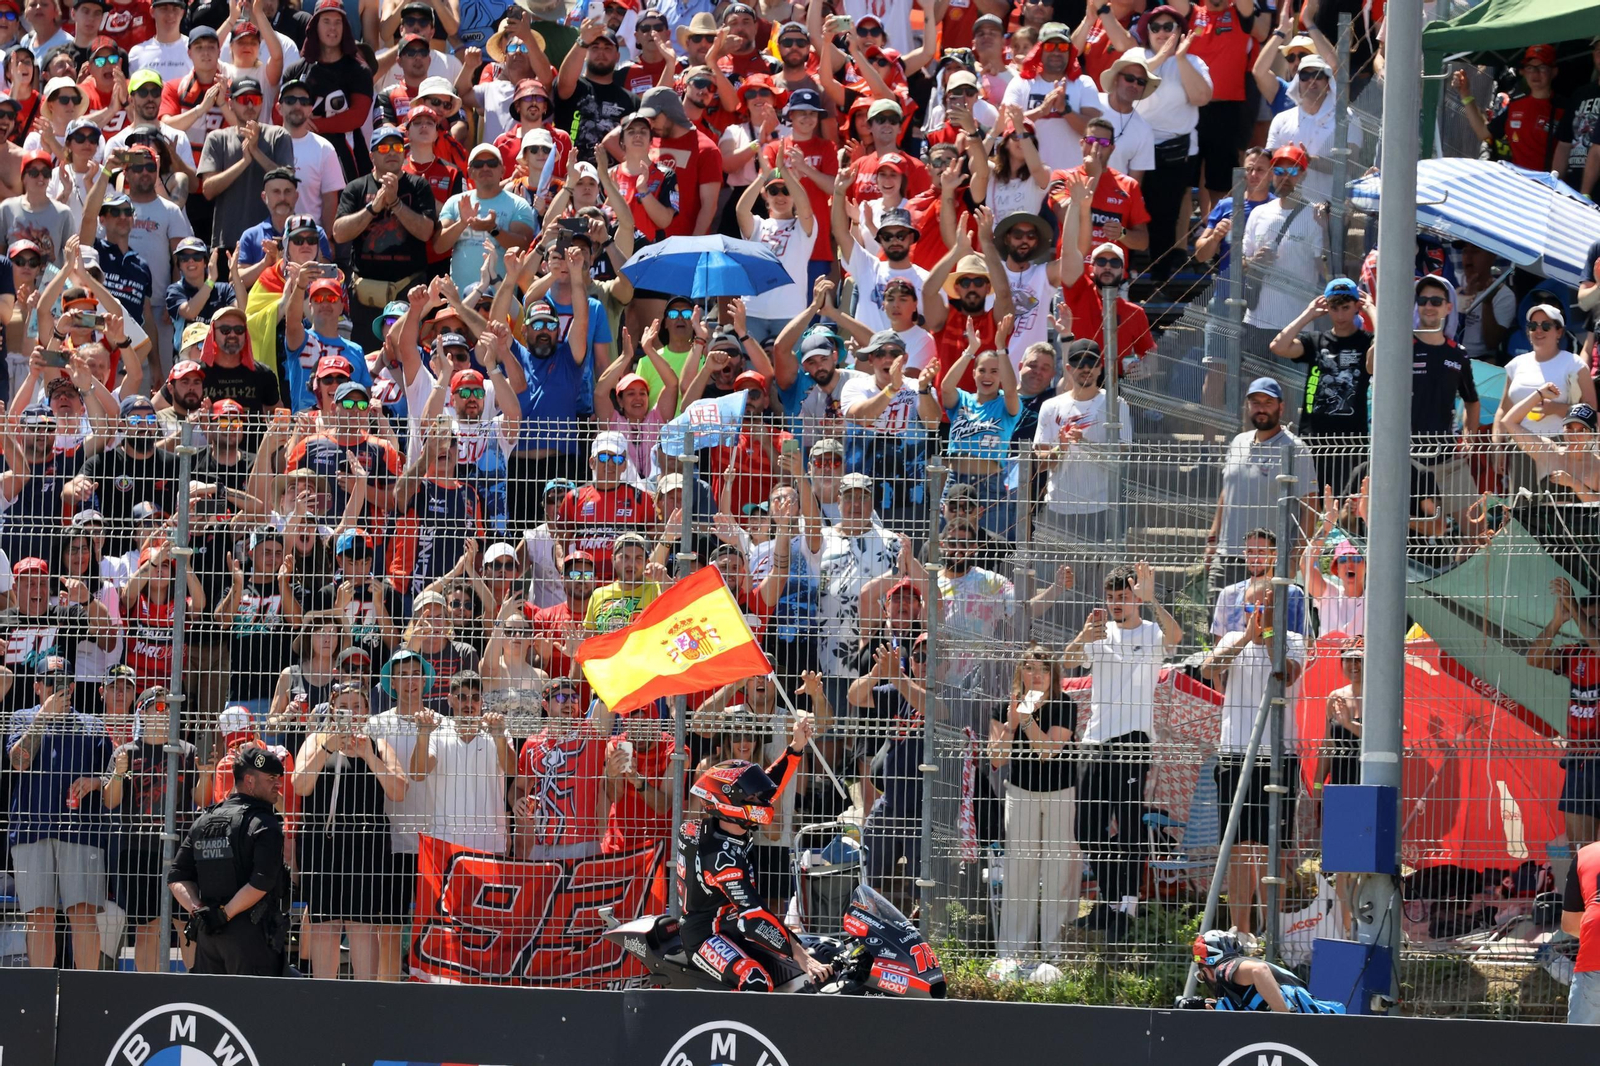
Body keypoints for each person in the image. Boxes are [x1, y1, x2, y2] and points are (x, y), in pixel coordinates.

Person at [1061, 562, 1181, 940]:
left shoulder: (1150, 631)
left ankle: (1124, 907)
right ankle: (1112, 899)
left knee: (1128, 827)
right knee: (1087, 828)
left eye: (1123, 597)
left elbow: (1176, 636)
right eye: (1111, 597)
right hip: (1095, 741)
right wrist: (1082, 634)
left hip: (1132, 740)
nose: (1116, 603)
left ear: (1135, 598)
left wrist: (1153, 600)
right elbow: (1065, 664)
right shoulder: (1099, 632)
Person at [1200, 577, 1306, 935]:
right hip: (1234, 753)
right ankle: (1241, 931)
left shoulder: (1292, 642)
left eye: (1262, 607)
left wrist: (1268, 638)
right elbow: (1208, 670)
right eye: (1249, 608)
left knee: (1269, 846)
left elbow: (1287, 675)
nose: (1255, 614)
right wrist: (1246, 639)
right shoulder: (1233, 640)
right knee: (1238, 847)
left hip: (1276, 755)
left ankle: (1272, 932)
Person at [678, 748, 831, 991]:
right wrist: (802, 956)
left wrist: (795, 749)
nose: (762, 800)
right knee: (755, 979)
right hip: (706, 936)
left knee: (826, 950)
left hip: (733, 927)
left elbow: (772, 785)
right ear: (729, 803)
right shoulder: (720, 856)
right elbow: (754, 917)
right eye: (752, 797)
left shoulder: (728, 828)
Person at [6, 658, 110, 969]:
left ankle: (87, 992)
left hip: (79, 830)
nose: (58, 689)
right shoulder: (22, 717)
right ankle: (41, 991)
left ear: (74, 686)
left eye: (63, 682)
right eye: (50, 683)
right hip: (31, 829)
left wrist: (94, 782)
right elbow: (18, 761)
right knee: (39, 915)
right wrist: (43, 718)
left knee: (83, 912)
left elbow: (113, 783)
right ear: (37, 686)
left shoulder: (92, 723)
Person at [166, 742, 290, 976]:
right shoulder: (264, 824)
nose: (278, 784)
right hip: (250, 937)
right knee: (254, 1007)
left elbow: (176, 877)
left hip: (208, 935)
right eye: (271, 778)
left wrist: (200, 910)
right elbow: (262, 881)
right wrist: (224, 914)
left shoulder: (205, 819)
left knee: (211, 1007)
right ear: (250, 781)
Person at [989, 643, 1080, 960]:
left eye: (1043, 669)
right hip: (1020, 793)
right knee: (1019, 874)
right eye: (1030, 668)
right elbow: (997, 759)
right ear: (1021, 673)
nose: (1037, 675)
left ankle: (1053, 952)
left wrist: (1027, 721)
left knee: (1056, 874)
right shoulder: (1004, 707)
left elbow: (1048, 751)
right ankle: (1012, 953)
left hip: (1060, 794)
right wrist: (1012, 724)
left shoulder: (1065, 705)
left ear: (1053, 674)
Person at [1204, 377, 1317, 597]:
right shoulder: (1237, 442)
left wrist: (1294, 558)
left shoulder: (1295, 449)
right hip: (1227, 556)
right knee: (1219, 628)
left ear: (1281, 407)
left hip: (1269, 561)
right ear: (1247, 406)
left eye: (1268, 402)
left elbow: (1311, 507)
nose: (1261, 408)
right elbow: (1226, 493)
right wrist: (1212, 540)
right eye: (1255, 402)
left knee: (1264, 628)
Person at [1268, 277, 1377, 493]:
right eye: (1334, 308)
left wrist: (1372, 310)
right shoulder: (1315, 340)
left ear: (1357, 306)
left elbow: (1382, 353)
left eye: (1346, 308)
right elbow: (1278, 346)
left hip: (1351, 441)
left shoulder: (1367, 341)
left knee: (1347, 503)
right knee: (1311, 502)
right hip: (1314, 438)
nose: (1340, 315)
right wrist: (1308, 314)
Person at [1529, 579, 1600, 851]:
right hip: (1579, 760)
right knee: (1580, 853)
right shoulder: (1576, 654)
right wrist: (1557, 622)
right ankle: (1582, 894)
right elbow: (1534, 658)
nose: (1590, 625)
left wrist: (1576, 610)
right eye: (1588, 619)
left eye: (1596, 619)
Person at [1190, 929, 1345, 1013]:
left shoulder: (1223, 969)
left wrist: (1283, 1019)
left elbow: (1259, 970)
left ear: (1207, 969)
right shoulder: (1242, 977)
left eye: (1202, 976)